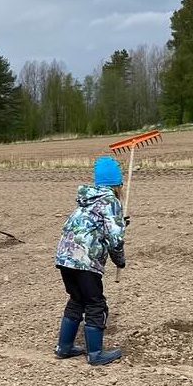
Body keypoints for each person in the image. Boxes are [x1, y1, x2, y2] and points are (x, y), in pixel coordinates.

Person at [54, 156, 128, 366]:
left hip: (64, 257)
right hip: (84, 260)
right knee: (96, 304)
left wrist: (120, 224)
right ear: (117, 184)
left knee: (77, 300)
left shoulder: (87, 200)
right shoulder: (111, 201)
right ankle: (95, 354)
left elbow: (96, 227)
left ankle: (64, 347)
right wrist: (120, 260)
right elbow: (115, 239)